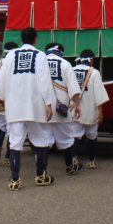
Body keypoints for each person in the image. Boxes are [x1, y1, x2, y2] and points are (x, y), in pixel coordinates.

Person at [0, 27, 55, 189]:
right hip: (35, 105)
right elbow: (44, 81)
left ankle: (15, 180)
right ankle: (41, 176)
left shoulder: (11, 55)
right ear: (35, 39)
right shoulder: (41, 56)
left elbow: (2, 78)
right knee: (40, 140)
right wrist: (49, 103)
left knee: (15, 142)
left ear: (22, 39)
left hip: (15, 105)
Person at [44, 43, 83, 175]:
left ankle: (41, 171)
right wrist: (77, 104)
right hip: (61, 108)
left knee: (43, 140)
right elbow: (74, 88)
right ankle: (70, 165)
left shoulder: (39, 62)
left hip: (42, 108)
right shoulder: (65, 64)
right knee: (65, 139)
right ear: (60, 51)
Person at [72, 49, 109, 169]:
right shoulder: (94, 73)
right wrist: (100, 112)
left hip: (74, 109)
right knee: (92, 135)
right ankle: (91, 160)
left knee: (75, 135)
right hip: (89, 109)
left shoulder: (72, 70)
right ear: (91, 60)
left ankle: (74, 159)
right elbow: (99, 95)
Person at [0, 41, 18, 165]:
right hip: (13, 98)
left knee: (0, 125)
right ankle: (8, 156)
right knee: (12, 129)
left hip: (0, 98)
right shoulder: (15, 62)